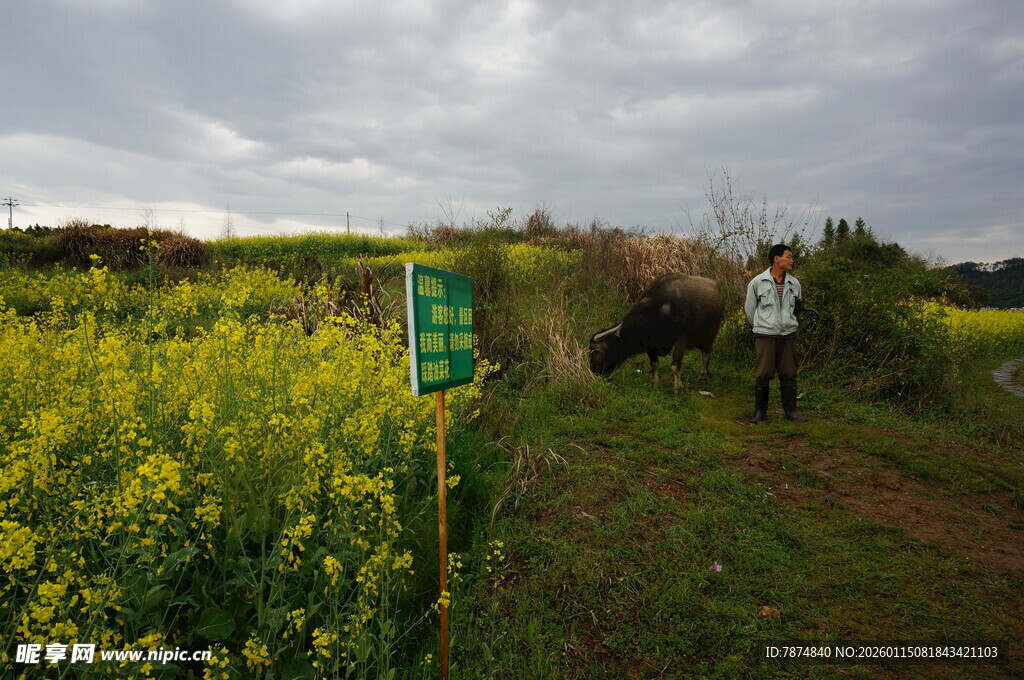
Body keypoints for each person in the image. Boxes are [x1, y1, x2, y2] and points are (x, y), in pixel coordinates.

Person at [743, 244, 812, 423]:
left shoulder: (794, 283)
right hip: (765, 335)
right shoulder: (758, 282)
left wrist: (789, 323)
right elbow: (750, 310)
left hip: (788, 335)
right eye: (788, 257)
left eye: (791, 257)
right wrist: (761, 326)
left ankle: (791, 413)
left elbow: (796, 308)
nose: (792, 260)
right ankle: (760, 413)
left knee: (789, 373)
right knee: (763, 373)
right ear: (776, 259)